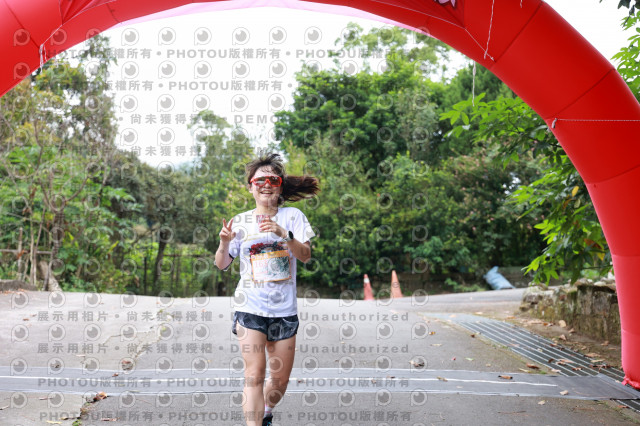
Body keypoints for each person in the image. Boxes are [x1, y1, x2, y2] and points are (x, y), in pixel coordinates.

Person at [216, 152, 320, 426]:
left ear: (280, 187)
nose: (266, 185)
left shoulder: (293, 216)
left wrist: (283, 234)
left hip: (284, 311)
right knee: (254, 374)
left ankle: (265, 411)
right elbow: (222, 264)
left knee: (279, 381)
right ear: (250, 187)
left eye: (273, 180)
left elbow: (305, 255)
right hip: (250, 307)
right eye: (259, 180)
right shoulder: (240, 221)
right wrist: (224, 243)